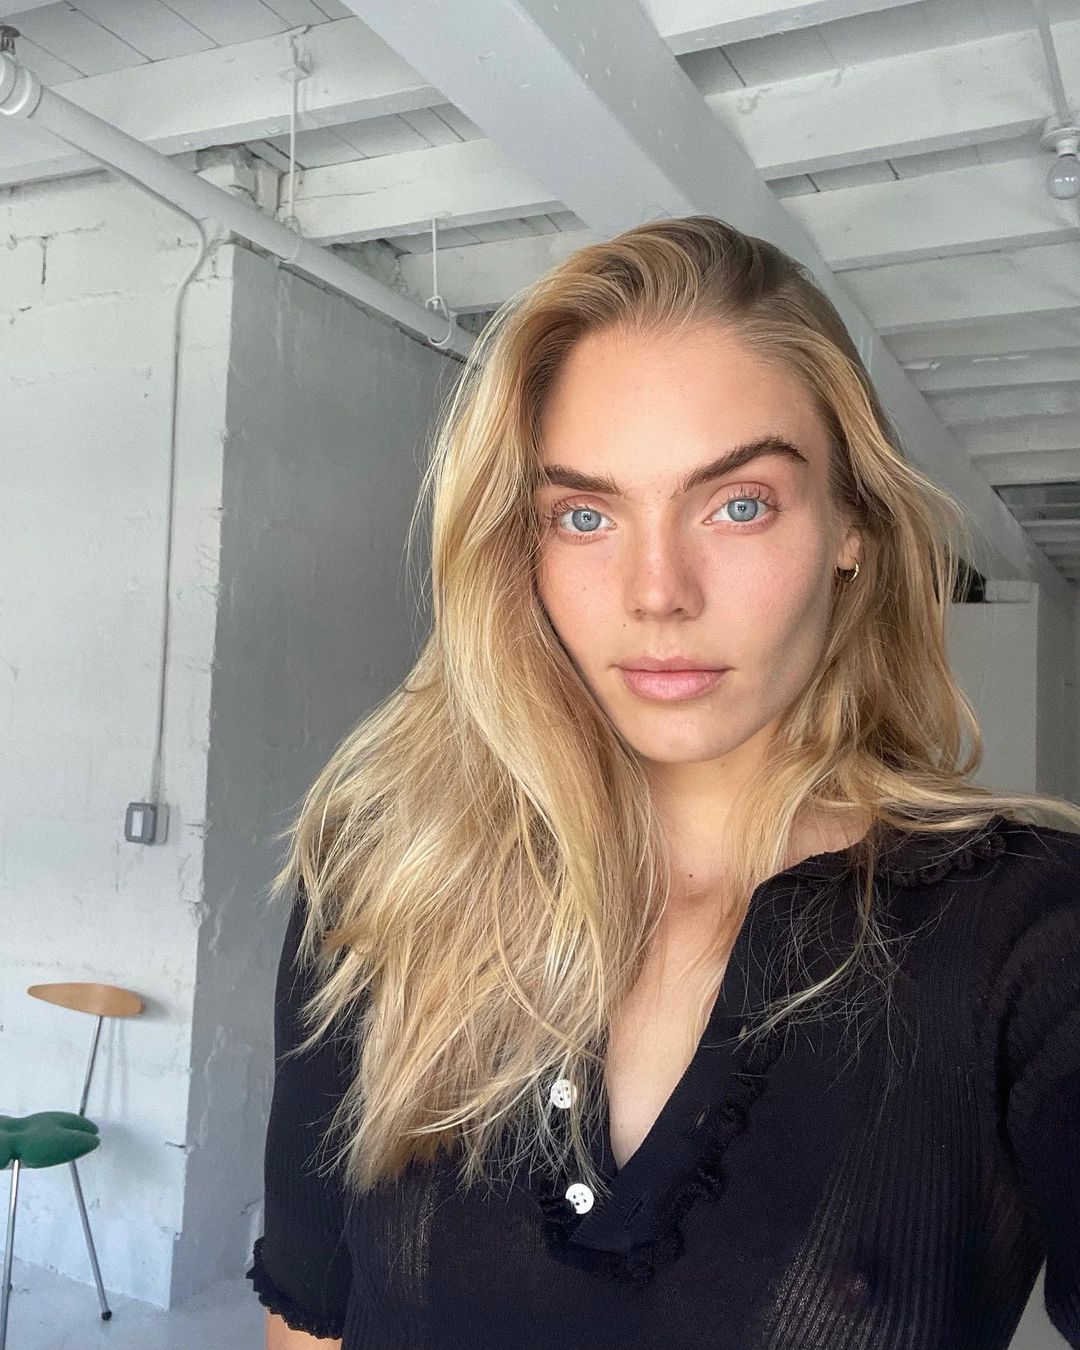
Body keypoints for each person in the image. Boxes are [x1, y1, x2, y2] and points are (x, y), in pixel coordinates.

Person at [246, 215, 1080, 1350]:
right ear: (521, 548)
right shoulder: (389, 884)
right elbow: (311, 1323)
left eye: (739, 504)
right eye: (585, 515)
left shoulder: (1029, 937)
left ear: (851, 524)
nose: (657, 592)